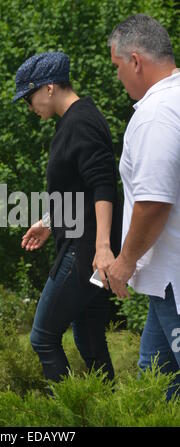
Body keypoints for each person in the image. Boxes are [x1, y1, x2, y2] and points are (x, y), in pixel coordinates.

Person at [13, 52, 122, 387]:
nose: (29, 107)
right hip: (84, 245)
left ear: (48, 88)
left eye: (28, 98)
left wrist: (103, 249)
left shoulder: (80, 121)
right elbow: (80, 187)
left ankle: (67, 416)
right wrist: (49, 221)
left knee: (43, 337)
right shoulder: (75, 120)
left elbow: (104, 184)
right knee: (88, 337)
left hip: (85, 250)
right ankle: (108, 414)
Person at [107, 14, 180, 400]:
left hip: (174, 281)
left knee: (161, 390)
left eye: (117, 67)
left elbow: (153, 203)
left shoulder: (155, 115)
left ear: (135, 61)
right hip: (164, 284)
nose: (118, 78)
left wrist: (125, 261)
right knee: (153, 384)